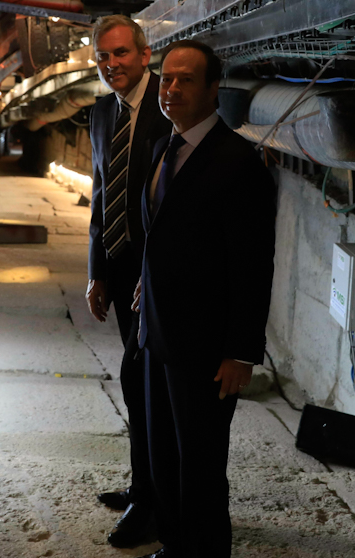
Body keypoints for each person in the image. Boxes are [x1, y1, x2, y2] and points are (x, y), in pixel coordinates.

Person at [135, 39, 276, 558]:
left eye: (186, 80)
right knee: (164, 457)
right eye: (166, 79)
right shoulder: (163, 148)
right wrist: (145, 285)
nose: (171, 89)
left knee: (201, 465)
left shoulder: (238, 163)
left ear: (215, 88)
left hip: (207, 346)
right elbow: (166, 236)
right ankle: (175, 547)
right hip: (158, 334)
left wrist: (241, 351)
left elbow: (254, 265)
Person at [85, 15, 171, 549]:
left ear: (144, 54)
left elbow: (176, 208)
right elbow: (99, 194)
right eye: (102, 57)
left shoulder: (171, 106)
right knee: (139, 386)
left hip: (157, 276)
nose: (111, 64)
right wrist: (97, 270)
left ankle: (153, 502)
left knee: (146, 387)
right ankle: (144, 484)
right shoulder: (100, 113)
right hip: (118, 269)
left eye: (119, 53)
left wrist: (151, 273)